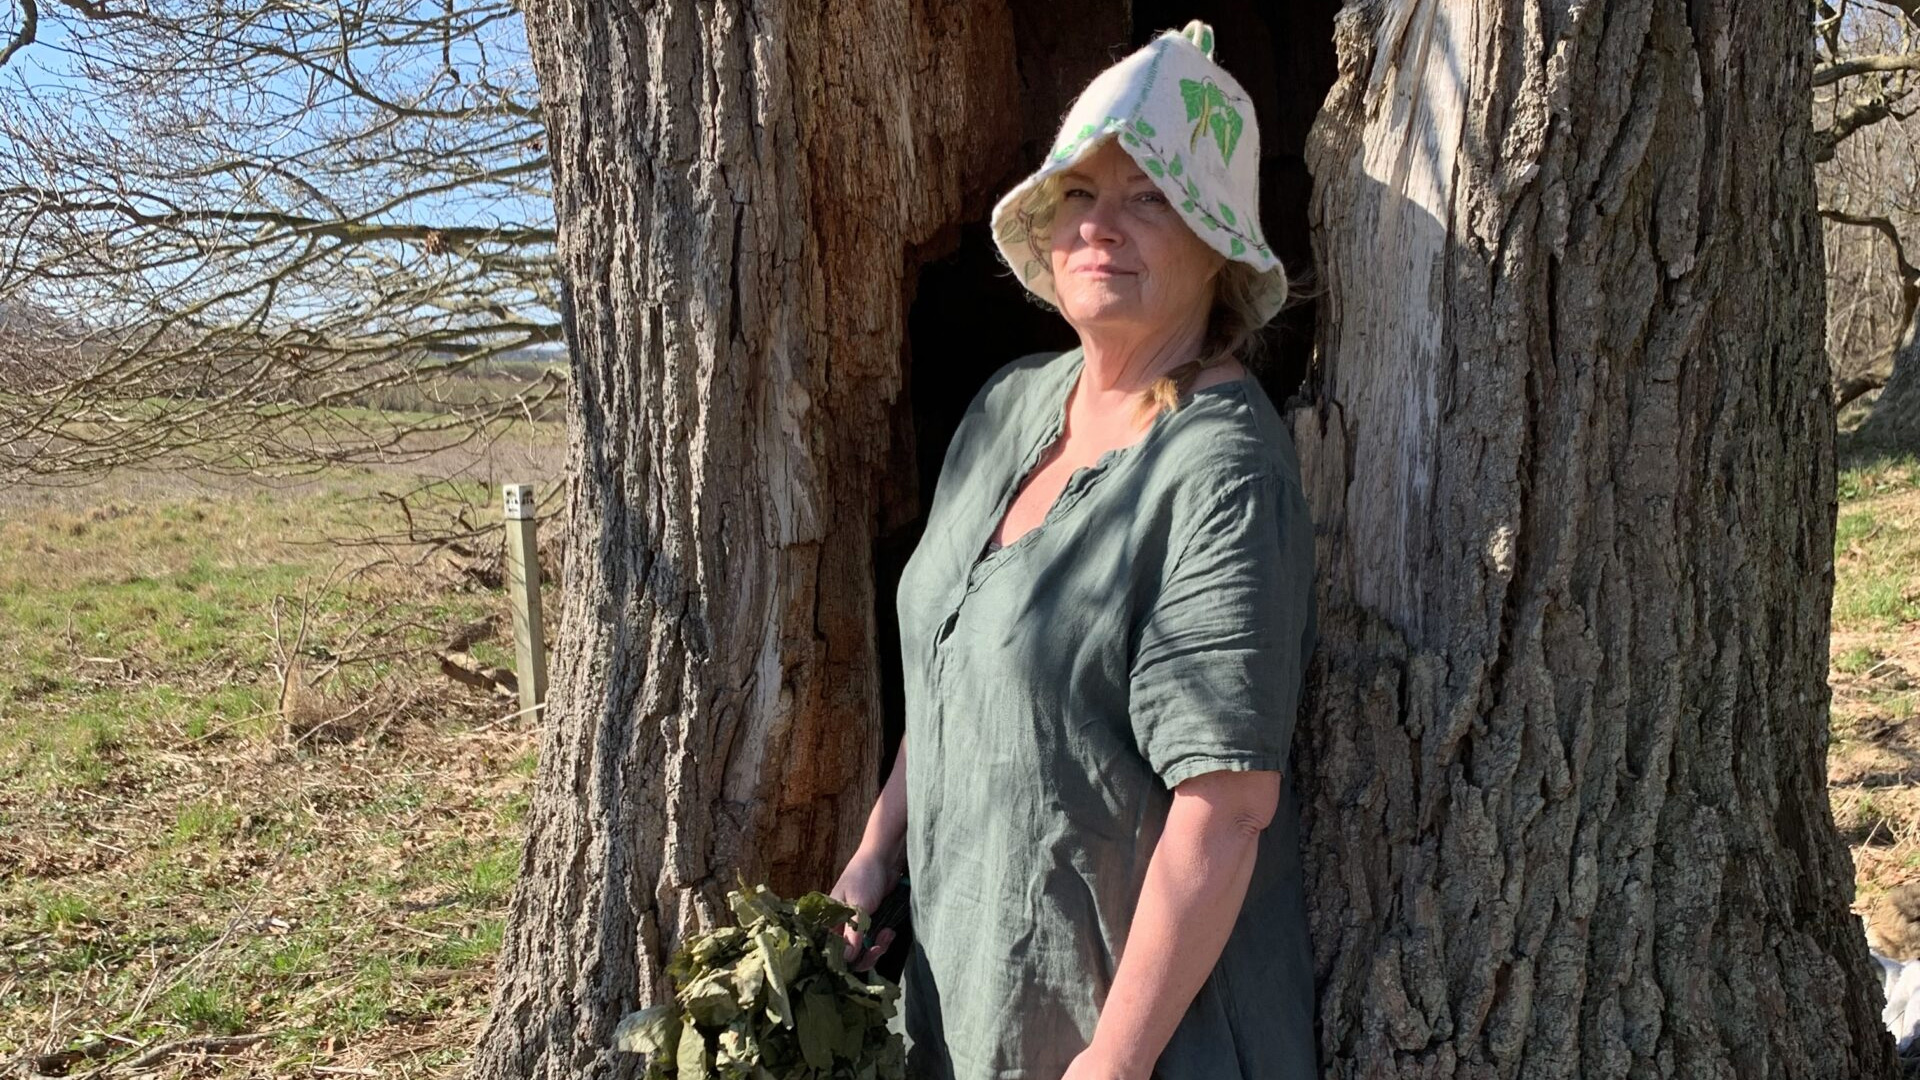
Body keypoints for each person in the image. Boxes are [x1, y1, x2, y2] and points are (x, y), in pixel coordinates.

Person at [830, 21, 1317, 1080]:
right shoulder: (1010, 406)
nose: (1102, 227)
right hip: (962, 997)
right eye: (1080, 196)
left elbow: (1228, 807)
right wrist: (874, 860)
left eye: (1150, 198)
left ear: (1218, 247)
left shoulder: (1222, 471)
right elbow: (955, 668)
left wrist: (1118, 1057)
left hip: (1128, 1039)